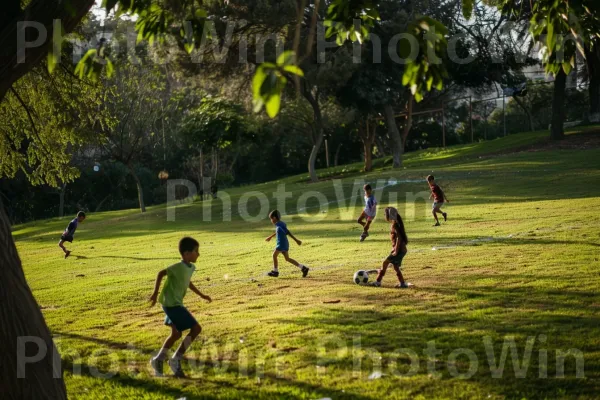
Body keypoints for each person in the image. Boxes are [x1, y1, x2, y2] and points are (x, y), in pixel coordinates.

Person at [149, 237, 212, 378]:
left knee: (176, 334)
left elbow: (188, 282)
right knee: (196, 328)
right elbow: (161, 273)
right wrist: (154, 294)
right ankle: (176, 359)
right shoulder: (177, 267)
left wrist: (202, 295)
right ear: (186, 253)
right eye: (196, 251)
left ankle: (158, 360)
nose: (198, 254)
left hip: (174, 303)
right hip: (172, 305)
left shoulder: (191, 267)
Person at [370, 207, 409, 288]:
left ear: (390, 215)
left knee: (385, 263)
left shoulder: (395, 225)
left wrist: (396, 250)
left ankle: (378, 282)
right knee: (395, 266)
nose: (384, 215)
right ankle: (402, 284)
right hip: (401, 250)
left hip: (399, 250)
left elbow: (399, 238)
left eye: (385, 214)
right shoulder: (395, 223)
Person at [265, 210, 309, 278]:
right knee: (287, 259)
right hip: (284, 243)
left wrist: (296, 240)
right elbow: (279, 231)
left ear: (274, 218)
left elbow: (287, 232)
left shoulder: (279, 225)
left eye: (271, 219)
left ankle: (275, 271)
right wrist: (270, 237)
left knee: (274, 256)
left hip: (281, 244)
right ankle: (303, 268)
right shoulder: (280, 224)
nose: (271, 220)